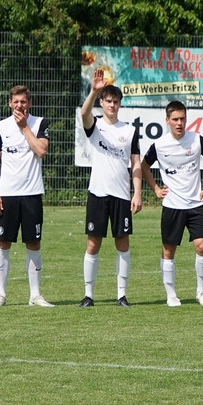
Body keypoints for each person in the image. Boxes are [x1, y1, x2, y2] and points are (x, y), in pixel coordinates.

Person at [141, 100, 203, 306]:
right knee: (168, 251)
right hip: (172, 205)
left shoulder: (196, 140)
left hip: (195, 204)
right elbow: (143, 166)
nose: (179, 123)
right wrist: (155, 188)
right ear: (167, 120)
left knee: (202, 246)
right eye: (175, 119)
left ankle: (201, 292)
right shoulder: (159, 145)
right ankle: (171, 295)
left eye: (183, 119)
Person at [77, 68, 142, 308]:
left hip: (121, 196)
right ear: (102, 103)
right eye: (108, 101)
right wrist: (93, 92)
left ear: (119, 104)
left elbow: (136, 164)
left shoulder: (130, 130)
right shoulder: (95, 126)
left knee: (122, 244)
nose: (112, 105)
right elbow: (84, 113)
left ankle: (121, 295)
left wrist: (137, 193)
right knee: (93, 244)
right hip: (98, 193)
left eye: (115, 102)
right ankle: (88, 295)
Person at [0, 85, 53, 307]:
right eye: (15, 102)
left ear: (29, 103)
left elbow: (41, 150)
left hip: (32, 194)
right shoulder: (1, 127)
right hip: (7, 195)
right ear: (9, 103)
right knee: (3, 243)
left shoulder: (39, 123)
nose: (19, 105)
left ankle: (35, 296)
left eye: (23, 101)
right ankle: (1, 295)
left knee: (33, 243)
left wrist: (24, 127)